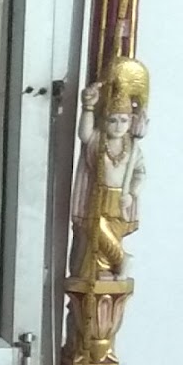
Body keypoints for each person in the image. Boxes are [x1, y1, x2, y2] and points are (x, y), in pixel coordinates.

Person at [70, 79, 145, 279]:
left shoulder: (132, 147)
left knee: (113, 232)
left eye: (123, 120)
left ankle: (110, 266)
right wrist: (88, 106)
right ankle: (121, 259)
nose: (118, 126)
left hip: (119, 199)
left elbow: (140, 173)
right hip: (98, 196)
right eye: (113, 120)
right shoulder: (98, 139)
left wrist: (132, 193)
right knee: (94, 228)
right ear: (104, 120)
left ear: (131, 122)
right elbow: (84, 135)